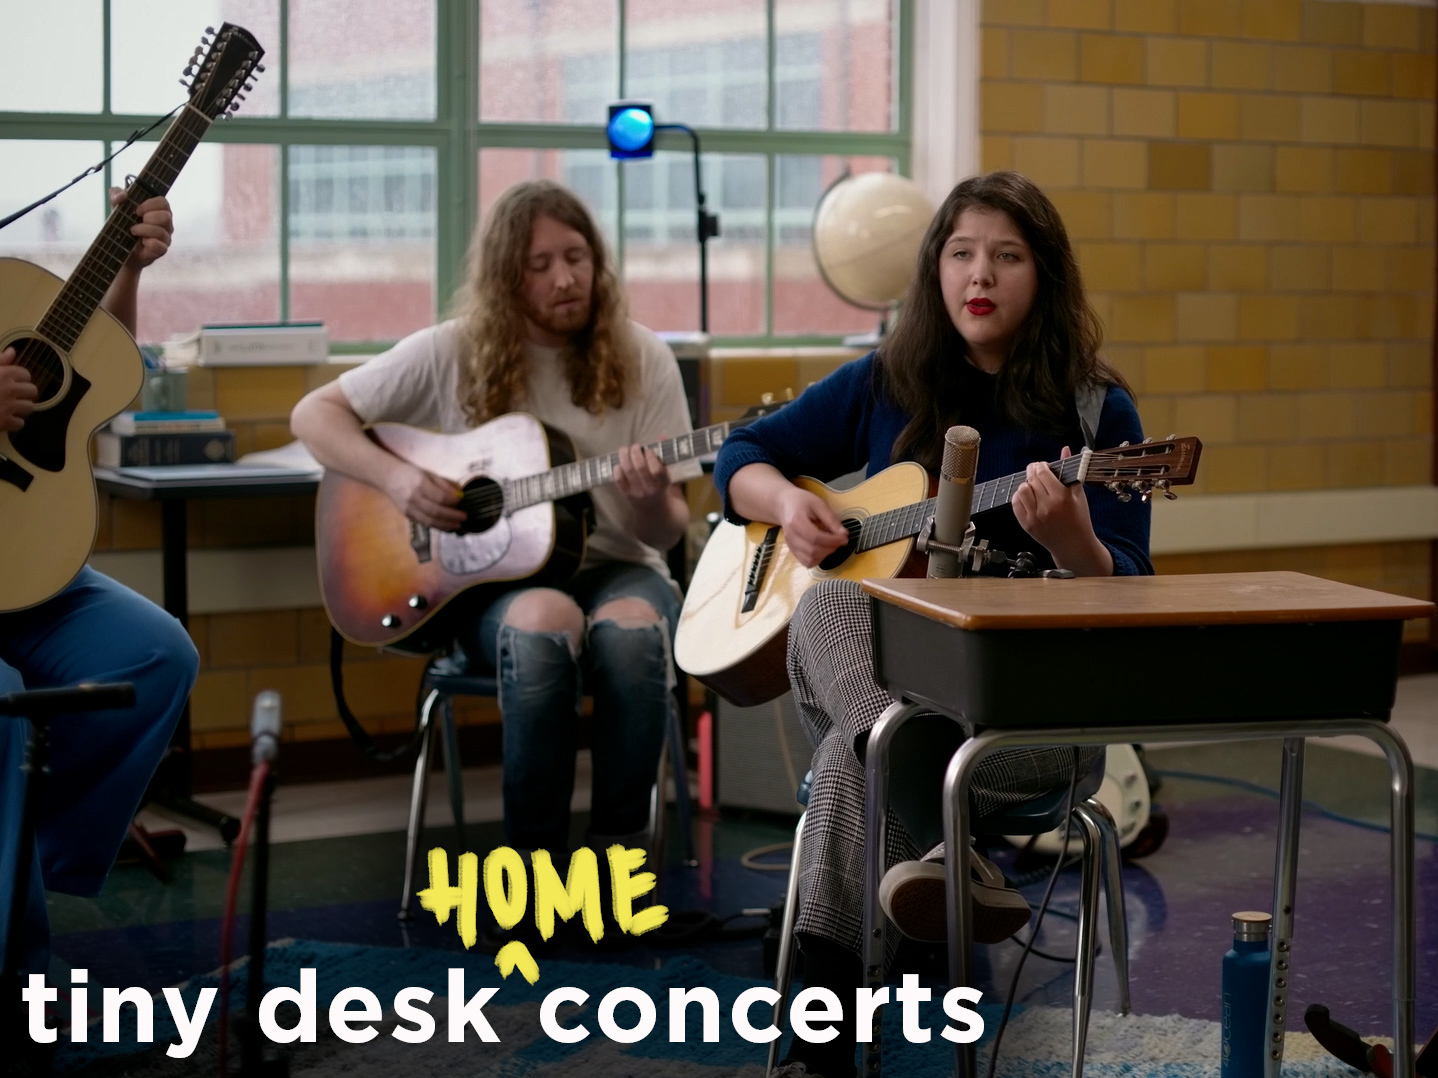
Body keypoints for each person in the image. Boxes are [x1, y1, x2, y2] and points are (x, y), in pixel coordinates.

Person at [713, 170, 1153, 1078]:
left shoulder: (1098, 416)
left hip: (1032, 727)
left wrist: (1076, 546)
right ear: (934, 271)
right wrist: (791, 508)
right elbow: (744, 455)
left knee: (851, 762)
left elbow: (1130, 600)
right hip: (884, 686)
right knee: (836, 599)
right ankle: (953, 858)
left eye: (1005, 255)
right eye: (959, 254)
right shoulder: (889, 381)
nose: (977, 274)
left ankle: (815, 1052)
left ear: (1045, 275)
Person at [291, 180, 698, 900]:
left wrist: (647, 502)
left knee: (633, 636)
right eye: (540, 265)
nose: (566, 279)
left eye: (577, 258)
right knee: (546, 623)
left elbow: (666, 531)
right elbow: (314, 416)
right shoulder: (450, 353)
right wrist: (394, 481)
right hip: (491, 589)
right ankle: (534, 882)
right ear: (506, 276)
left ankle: (615, 875)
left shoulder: (641, 358)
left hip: (617, 569)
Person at [1, 190, 200, 1001]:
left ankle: (26, 866)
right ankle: (18, 961)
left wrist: (124, 269)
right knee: (5, 700)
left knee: (157, 653)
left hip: (27, 561)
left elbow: (91, 365)